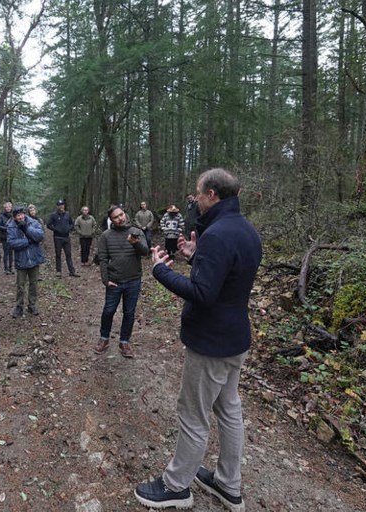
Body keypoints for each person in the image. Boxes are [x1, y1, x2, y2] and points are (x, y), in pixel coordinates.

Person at [134, 169, 261, 511]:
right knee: (229, 409)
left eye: (198, 194)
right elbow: (227, 278)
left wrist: (162, 270)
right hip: (236, 339)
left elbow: (204, 293)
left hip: (212, 343)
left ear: (212, 195)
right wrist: (195, 256)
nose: (196, 199)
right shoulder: (246, 231)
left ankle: (176, 486)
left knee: (193, 413)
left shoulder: (218, 234)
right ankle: (227, 484)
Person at [93, 205, 148, 358]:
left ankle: (124, 342)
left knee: (129, 313)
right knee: (108, 311)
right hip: (114, 281)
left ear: (125, 214)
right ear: (111, 220)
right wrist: (105, 280)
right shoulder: (105, 236)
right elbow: (102, 259)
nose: (120, 218)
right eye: (116, 217)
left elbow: (145, 252)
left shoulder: (136, 232)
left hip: (133, 280)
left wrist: (135, 243)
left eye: (121, 214)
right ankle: (104, 338)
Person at [5, 205, 46, 317]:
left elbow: (40, 236)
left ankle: (32, 305)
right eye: (18, 215)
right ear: (14, 217)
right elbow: (11, 243)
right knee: (20, 285)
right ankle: (19, 307)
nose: (20, 217)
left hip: (34, 258)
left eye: (22, 214)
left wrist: (27, 229)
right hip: (21, 260)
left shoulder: (33, 222)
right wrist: (27, 242)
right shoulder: (11, 226)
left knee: (33, 284)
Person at [46, 199, 79, 277]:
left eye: (62, 205)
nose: (61, 206)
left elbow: (72, 223)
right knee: (58, 254)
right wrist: (56, 229)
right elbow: (48, 225)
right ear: (57, 206)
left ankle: (72, 271)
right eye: (59, 205)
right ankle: (58, 271)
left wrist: (69, 228)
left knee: (68, 254)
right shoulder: (53, 215)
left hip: (66, 237)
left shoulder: (67, 214)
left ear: (64, 206)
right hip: (57, 237)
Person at [0, 201, 15, 274]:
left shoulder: (13, 216)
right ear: (4, 208)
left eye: (9, 207)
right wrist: (6, 228)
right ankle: (6, 268)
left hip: (12, 236)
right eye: (7, 207)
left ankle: (11, 268)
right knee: (6, 253)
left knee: (11, 253)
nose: (8, 208)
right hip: (4, 236)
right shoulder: (1, 216)